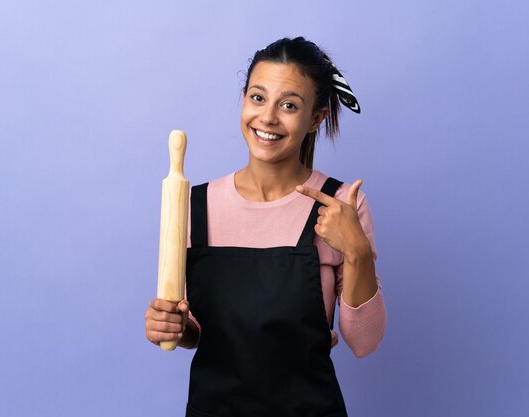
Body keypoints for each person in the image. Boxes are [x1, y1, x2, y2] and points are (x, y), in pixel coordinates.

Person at [145, 36, 386, 417]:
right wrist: (175, 327)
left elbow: (364, 343)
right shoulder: (196, 204)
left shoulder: (339, 205)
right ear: (243, 99)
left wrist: (357, 252)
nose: (268, 117)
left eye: (289, 105)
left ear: (316, 118)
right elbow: (200, 331)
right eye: (258, 98)